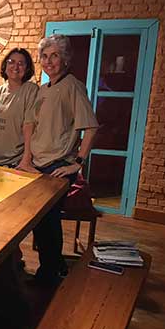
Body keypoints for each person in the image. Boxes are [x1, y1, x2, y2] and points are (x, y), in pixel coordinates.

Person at [31, 34, 99, 284]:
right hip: (39, 164)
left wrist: (77, 163)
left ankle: (50, 274)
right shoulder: (44, 88)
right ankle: (54, 266)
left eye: (55, 55)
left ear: (65, 58)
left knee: (48, 222)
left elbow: (90, 127)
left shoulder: (72, 85)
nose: (49, 61)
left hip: (58, 165)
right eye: (45, 56)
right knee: (41, 222)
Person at [0, 47, 39, 171]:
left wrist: (26, 158)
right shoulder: (0, 89)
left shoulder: (30, 90)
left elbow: (29, 125)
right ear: (5, 65)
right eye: (11, 62)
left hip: (14, 161)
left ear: (27, 68)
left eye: (21, 64)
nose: (16, 67)